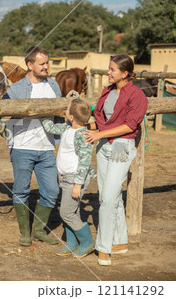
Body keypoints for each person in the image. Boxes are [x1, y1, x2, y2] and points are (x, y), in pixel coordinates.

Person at [84, 54, 148, 266]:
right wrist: (93, 125)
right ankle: (120, 241)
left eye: (112, 70)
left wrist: (100, 135)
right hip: (102, 146)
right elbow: (102, 116)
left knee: (109, 197)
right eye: (108, 69)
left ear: (125, 73)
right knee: (107, 194)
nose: (108, 72)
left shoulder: (137, 96)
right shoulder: (108, 91)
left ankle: (104, 247)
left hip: (121, 146)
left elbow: (130, 126)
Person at [2, 46, 61, 246]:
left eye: (47, 62)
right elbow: (1, 112)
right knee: (21, 189)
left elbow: (60, 113)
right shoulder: (16, 88)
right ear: (30, 65)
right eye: (42, 63)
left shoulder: (54, 86)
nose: (46, 66)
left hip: (46, 147)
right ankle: (25, 233)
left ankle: (38, 230)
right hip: (22, 146)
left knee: (52, 190)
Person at [41, 99, 96, 258]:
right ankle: (72, 243)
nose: (64, 110)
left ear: (71, 116)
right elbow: (50, 127)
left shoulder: (83, 135)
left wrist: (78, 185)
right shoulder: (66, 128)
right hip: (66, 177)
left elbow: (85, 162)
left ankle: (87, 242)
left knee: (66, 213)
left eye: (66, 109)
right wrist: (41, 113)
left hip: (75, 179)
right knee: (73, 211)